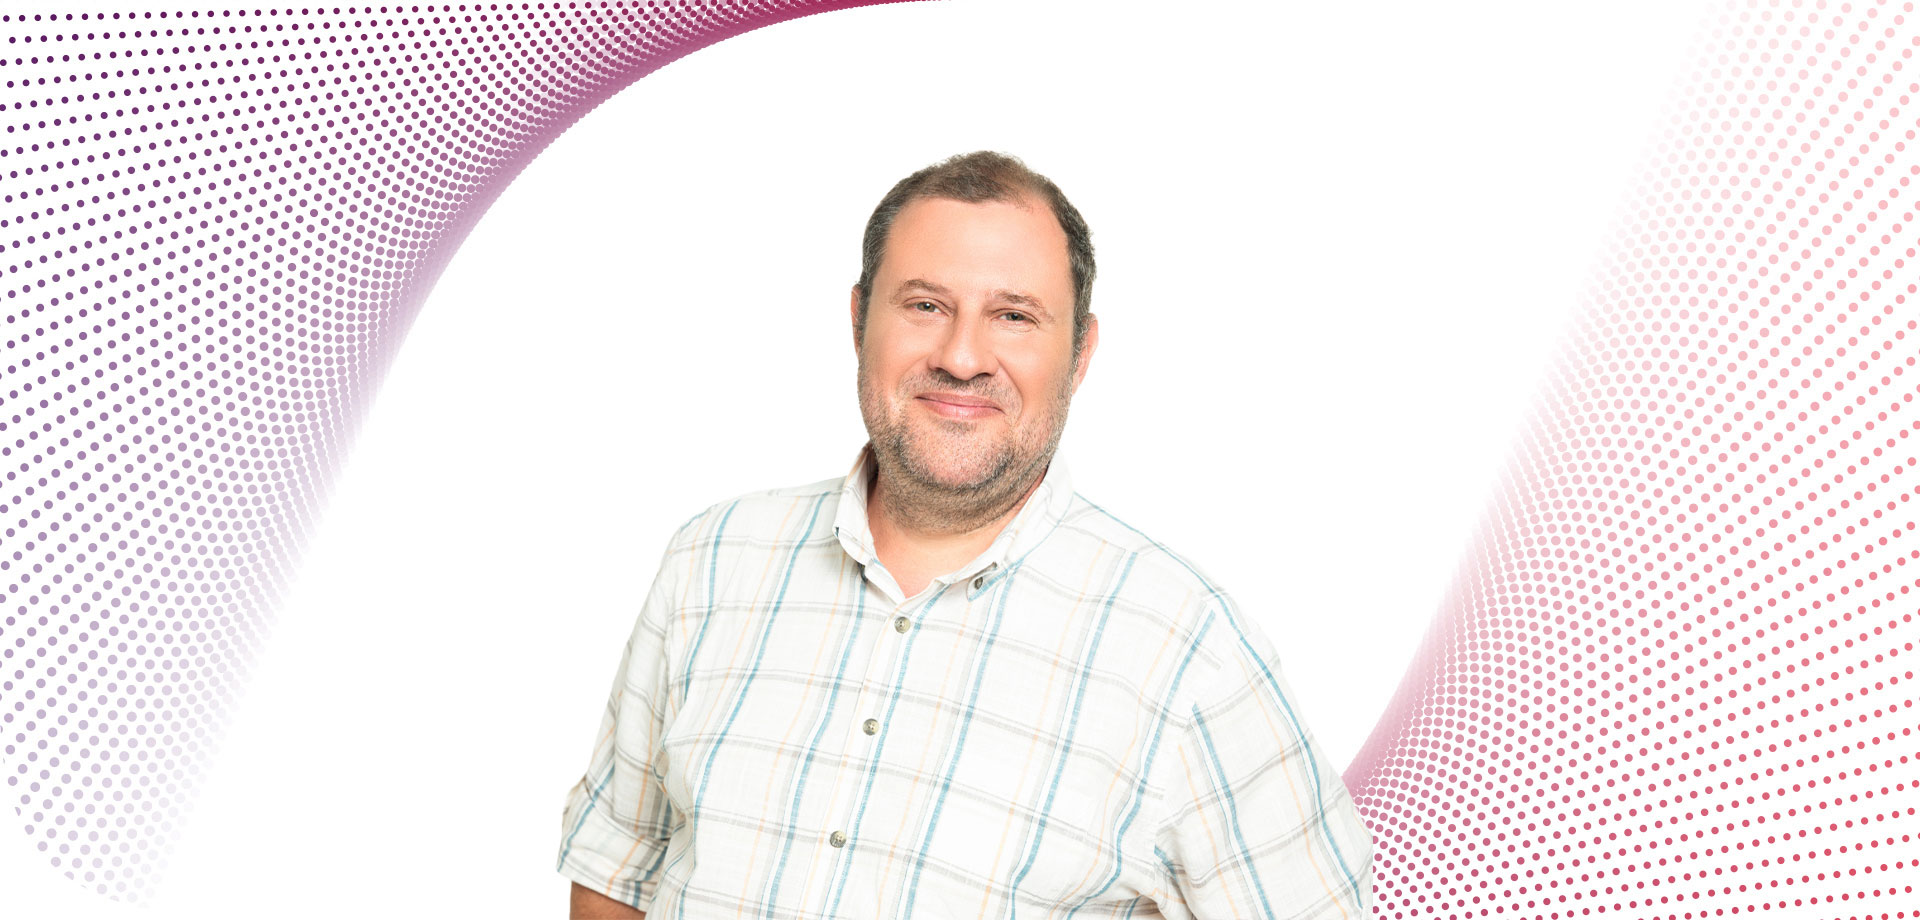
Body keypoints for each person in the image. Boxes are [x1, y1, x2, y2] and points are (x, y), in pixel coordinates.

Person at [557, 151, 1374, 919]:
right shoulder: (710, 561)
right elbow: (618, 866)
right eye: (925, 306)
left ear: (1080, 353)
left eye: (1013, 316)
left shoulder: (1189, 651)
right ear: (858, 320)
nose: (961, 356)